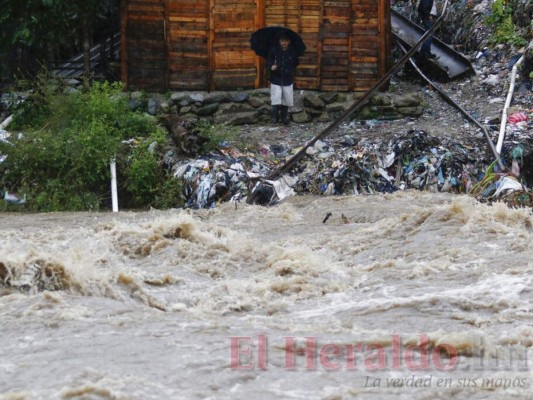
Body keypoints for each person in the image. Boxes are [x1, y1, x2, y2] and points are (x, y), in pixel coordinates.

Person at [267, 34, 299, 125]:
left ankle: (284, 118)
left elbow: (296, 63)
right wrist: (271, 67)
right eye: (282, 41)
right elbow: (269, 61)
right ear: (279, 41)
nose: (284, 43)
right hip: (276, 78)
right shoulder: (273, 51)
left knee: (287, 98)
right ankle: (274, 117)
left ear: (289, 42)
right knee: (276, 97)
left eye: (286, 41)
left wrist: (289, 69)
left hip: (288, 79)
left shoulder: (292, 52)